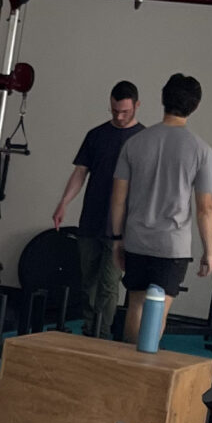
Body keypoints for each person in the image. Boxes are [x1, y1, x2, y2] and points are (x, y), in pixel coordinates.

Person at [108, 72, 212, 343]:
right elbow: (206, 208)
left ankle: (129, 366)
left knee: (136, 305)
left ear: (162, 99)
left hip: (136, 240)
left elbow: (118, 198)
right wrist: (208, 251)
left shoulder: (135, 143)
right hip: (172, 245)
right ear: (196, 106)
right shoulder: (201, 150)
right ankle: (145, 367)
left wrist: (117, 239)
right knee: (159, 310)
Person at [51, 80, 141, 336]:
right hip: (91, 219)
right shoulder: (96, 135)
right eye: (115, 111)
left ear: (137, 106)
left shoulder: (142, 140)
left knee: (110, 282)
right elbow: (80, 172)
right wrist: (63, 203)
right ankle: (90, 328)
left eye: (125, 111)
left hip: (121, 226)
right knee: (88, 279)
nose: (120, 116)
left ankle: (102, 333)